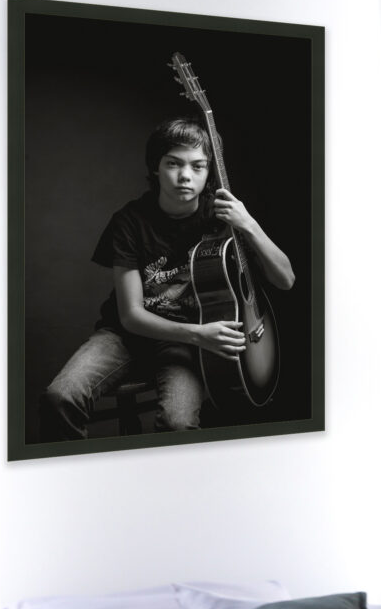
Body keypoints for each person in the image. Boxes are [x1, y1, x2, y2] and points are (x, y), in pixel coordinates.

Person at [42, 116, 296, 437]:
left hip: (185, 349)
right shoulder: (129, 222)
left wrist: (249, 224)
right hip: (126, 337)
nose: (185, 176)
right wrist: (199, 334)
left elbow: (285, 279)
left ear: (208, 173)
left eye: (198, 166)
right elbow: (132, 316)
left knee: (179, 424)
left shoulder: (223, 218)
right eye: (174, 164)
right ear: (155, 167)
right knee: (59, 398)